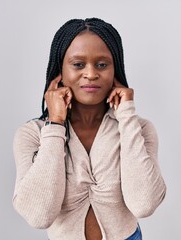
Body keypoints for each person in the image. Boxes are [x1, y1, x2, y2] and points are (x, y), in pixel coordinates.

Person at [12, 17, 166, 240]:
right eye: (78, 64)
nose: (91, 73)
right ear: (60, 71)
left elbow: (144, 204)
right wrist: (55, 123)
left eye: (102, 64)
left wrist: (126, 115)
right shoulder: (31, 135)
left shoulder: (140, 128)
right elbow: (38, 216)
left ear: (115, 70)